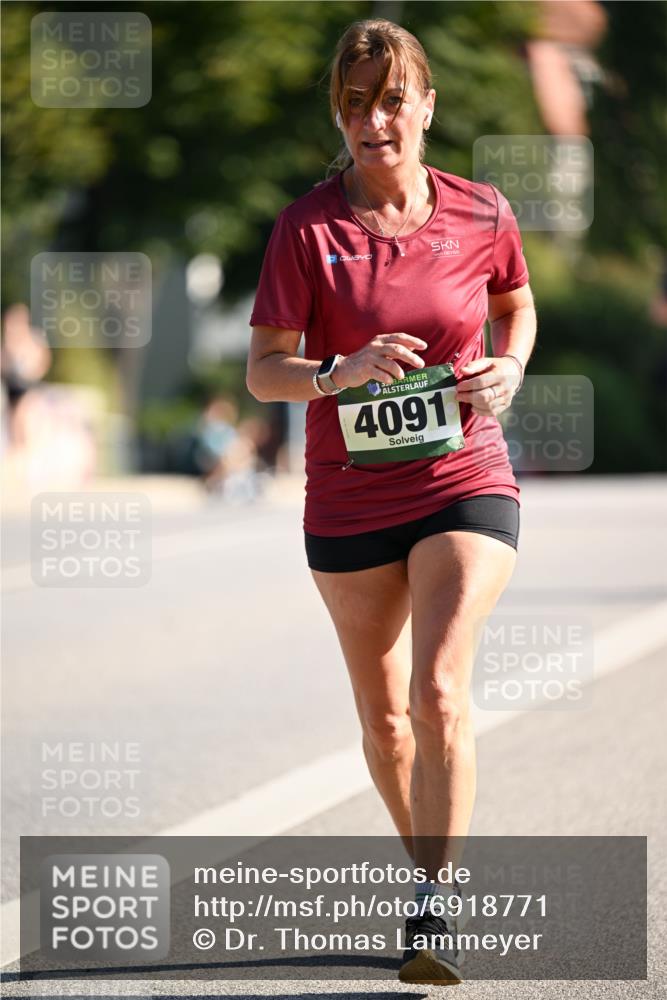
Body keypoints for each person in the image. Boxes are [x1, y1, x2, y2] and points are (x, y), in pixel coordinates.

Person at [247, 18, 536, 985]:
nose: (377, 119)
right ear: (340, 112)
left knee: (439, 687)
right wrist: (340, 370)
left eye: (393, 98)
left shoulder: (481, 211)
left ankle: (435, 910)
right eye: (357, 102)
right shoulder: (306, 229)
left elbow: (514, 302)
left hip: (463, 476)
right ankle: (428, 876)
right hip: (348, 502)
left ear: (426, 106)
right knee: (385, 722)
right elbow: (263, 374)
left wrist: (510, 366)